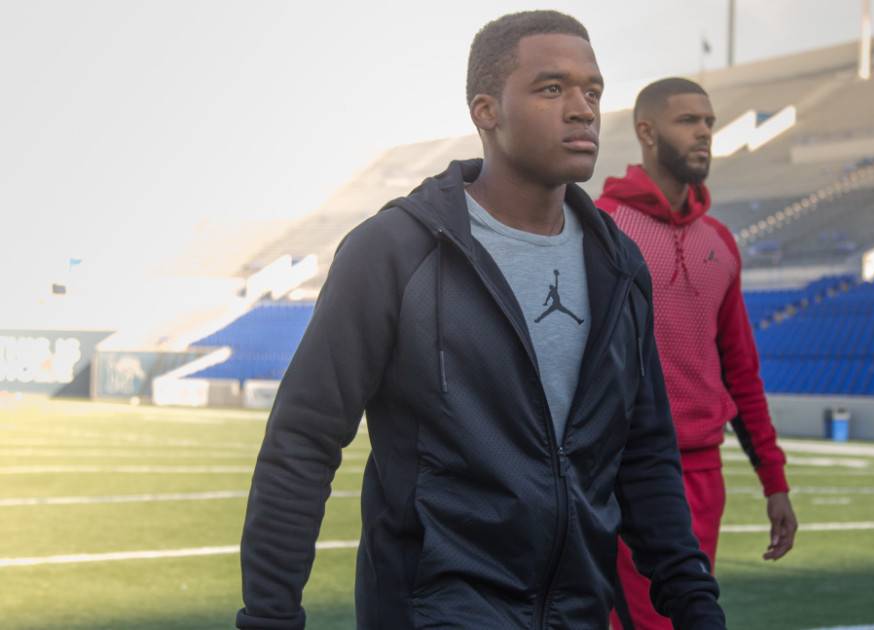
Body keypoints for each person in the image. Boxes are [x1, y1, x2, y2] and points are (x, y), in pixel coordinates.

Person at [236, 14, 724, 630]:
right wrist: (269, 617)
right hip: (432, 614)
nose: (583, 110)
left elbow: (645, 454)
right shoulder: (394, 250)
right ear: (486, 111)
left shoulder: (618, 264)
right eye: (552, 89)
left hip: (578, 614)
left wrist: (695, 605)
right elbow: (302, 442)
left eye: (593, 92)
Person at [596, 77, 798, 630]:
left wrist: (773, 482)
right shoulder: (603, 227)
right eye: (688, 121)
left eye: (708, 121)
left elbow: (741, 371)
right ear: (646, 131)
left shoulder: (720, 242)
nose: (704, 133)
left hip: (704, 476)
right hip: (624, 472)